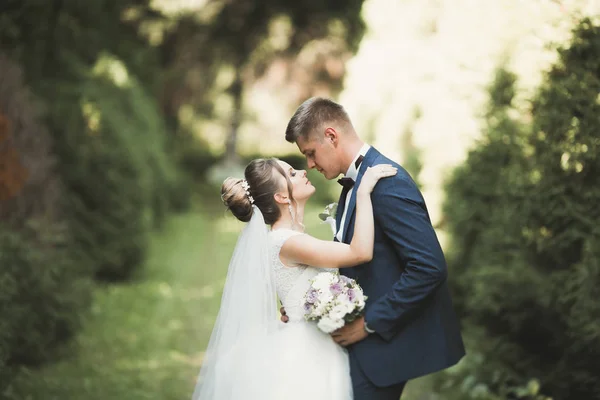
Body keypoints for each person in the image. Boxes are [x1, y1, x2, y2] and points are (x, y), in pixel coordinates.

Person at [282, 97, 466, 400]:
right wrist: (303, 300)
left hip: (383, 345)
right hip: (363, 347)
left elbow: (429, 267)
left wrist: (369, 324)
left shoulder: (388, 183)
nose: (310, 164)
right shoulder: (358, 180)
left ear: (331, 136)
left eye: (311, 153)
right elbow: (352, 261)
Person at [191, 157, 397, 400]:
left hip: (314, 342)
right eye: (290, 173)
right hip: (307, 354)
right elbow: (360, 252)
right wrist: (363, 193)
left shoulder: (288, 238)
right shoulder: (288, 242)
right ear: (282, 197)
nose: (301, 171)